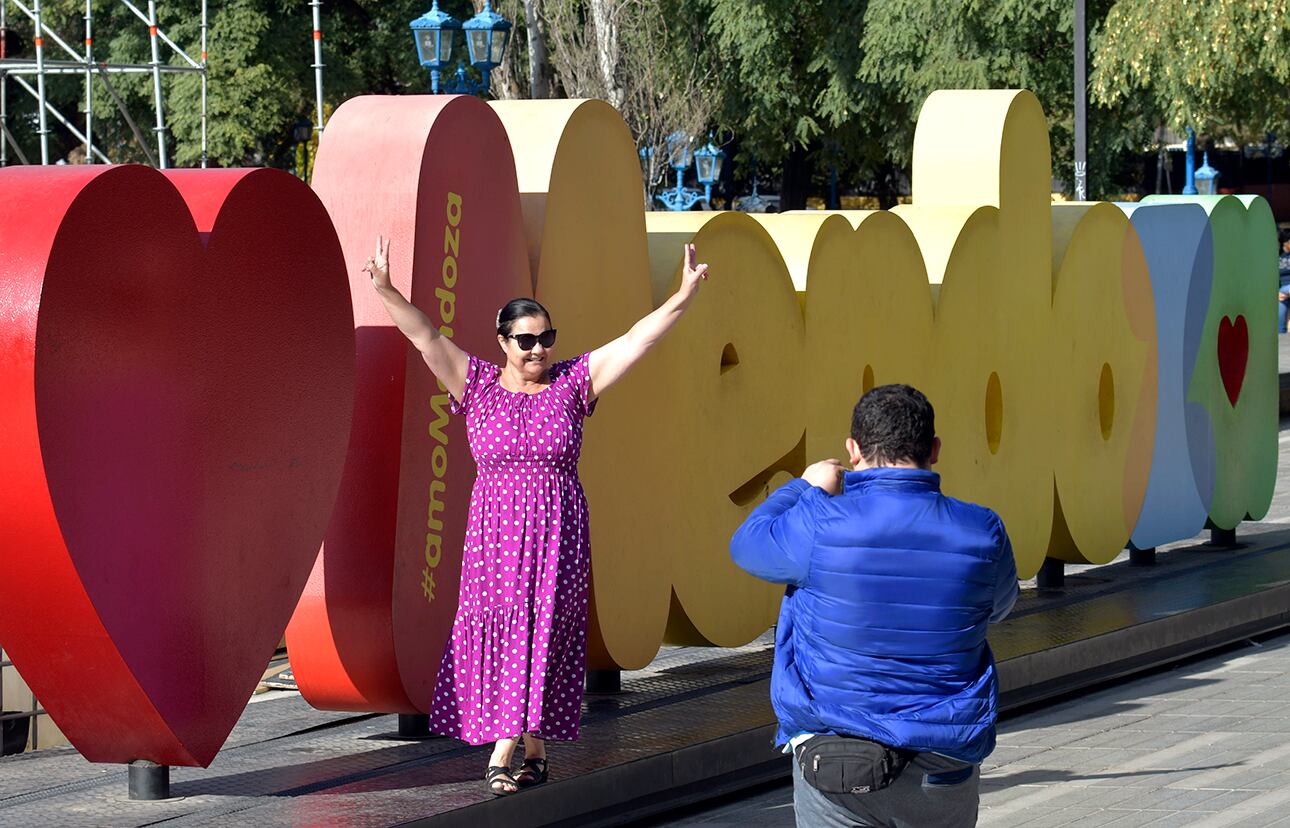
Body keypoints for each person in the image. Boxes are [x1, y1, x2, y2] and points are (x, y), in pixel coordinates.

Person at [364, 237, 710, 796]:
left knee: (542, 631)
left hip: (558, 529)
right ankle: (533, 748)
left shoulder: (574, 382)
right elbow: (424, 336)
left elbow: (635, 340)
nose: (538, 350)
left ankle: (506, 748)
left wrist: (682, 298)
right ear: (502, 342)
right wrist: (385, 290)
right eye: (526, 341)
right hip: (495, 532)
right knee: (507, 629)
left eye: (547, 338)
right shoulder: (474, 383)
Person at [730, 384, 1018, 828]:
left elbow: (747, 544)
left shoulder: (819, 523)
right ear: (934, 450)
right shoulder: (983, 530)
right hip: (943, 756)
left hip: (835, 755)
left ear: (853, 450)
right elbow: (998, 607)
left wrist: (804, 489)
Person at [1278, 234, 1290, 334]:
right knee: (1280, 305)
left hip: (1287, 289)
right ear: (1285, 243)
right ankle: (1281, 334)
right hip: (1282, 291)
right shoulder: (1276, 256)